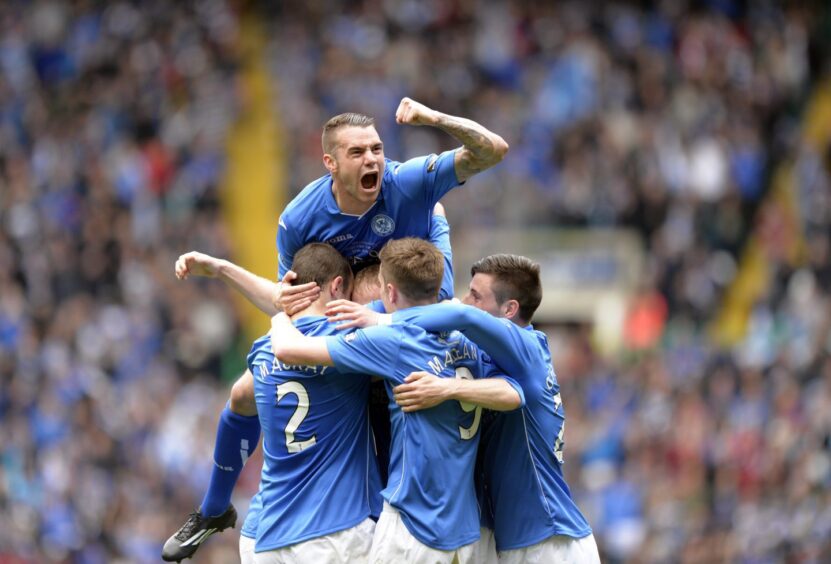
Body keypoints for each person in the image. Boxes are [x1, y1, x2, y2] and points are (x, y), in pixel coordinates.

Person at [163, 95, 507, 561]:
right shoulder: (299, 220)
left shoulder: (405, 181)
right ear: (329, 163)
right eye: (358, 152)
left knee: (398, 393)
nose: (373, 160)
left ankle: (461, 505)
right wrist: (228, 271)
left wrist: (433, 119)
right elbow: (296, 301)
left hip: (414, 296)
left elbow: (492, 150)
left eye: (377, 149)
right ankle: (213, 509)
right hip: (358, 302)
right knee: (246, 392)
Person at [331, 254, 601, 562]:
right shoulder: (500, 359)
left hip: (548, 538)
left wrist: (384, 320)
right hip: (517, 537)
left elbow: (463, 318)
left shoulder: (528, 348)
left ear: (509, 310)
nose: (463, 301)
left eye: (475, 296)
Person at [270, 238, 524, 563]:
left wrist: (279, 315)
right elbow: (515, 392)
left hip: (413, 523)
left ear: (388, 293)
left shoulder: (393, 341)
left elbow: (288, 350)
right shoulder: (471, 341)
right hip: (465, 528)